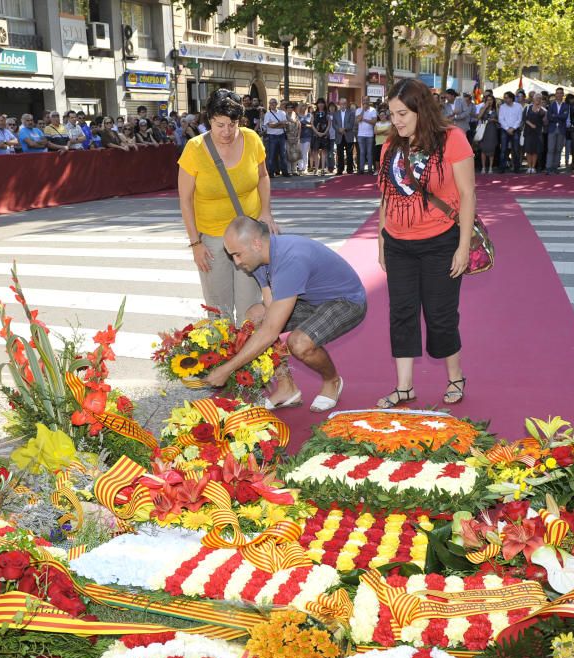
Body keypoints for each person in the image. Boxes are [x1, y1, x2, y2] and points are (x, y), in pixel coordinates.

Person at [376, 77, 475, 408]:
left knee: (440, 314)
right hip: (398, 243)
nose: (397, 121)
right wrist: (381, 240)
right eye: (392, 114)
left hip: (440, 242)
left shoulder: (452, 140)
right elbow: (387, 196)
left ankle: (455, 377)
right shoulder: (391, 146)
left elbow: (467, 194)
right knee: (401, 314)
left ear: (421, 109)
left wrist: (463, 247)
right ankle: (404, 387)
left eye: (402, 113)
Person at [205, 216, 366, 412]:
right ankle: (286, 387)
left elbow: (271, 331)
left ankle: (332, 381)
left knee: (300, 343)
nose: (237, 263)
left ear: (256, 243)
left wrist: (227, 368)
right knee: (255, 315)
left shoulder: (290, 259)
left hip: (347, 302)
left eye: (237, 254)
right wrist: (258, 326)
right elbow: (269, 309)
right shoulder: (259, 257)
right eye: (232, 256)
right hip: (312, 302)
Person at [178, 89, 278, 325]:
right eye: (219, 124)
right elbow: (185, 199)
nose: (226, 131)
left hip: (248, 237)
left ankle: (250, 359)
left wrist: (266, 211)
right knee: (218, 312)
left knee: (251, 310)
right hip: (212, 238)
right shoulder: (194, 149)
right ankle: (222, 360)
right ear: (209, 120)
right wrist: (195, 243)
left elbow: (263, 176)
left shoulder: (252, 139)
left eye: (232, 124)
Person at [545, 87, 570, 175]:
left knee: (558, 149)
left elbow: (565, 117)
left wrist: (555, 115)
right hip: (552, 129)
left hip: (561, 129)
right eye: (557, 93)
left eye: (560, 93)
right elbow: (549, 117)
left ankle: (555, 167)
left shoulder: (566, 106)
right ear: (555, 94)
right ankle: (548, 168)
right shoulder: (551, 105)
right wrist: (559, 116)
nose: (559, 94)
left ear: (563, 95)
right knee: (550, 149)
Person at [263, 98, 290, 177]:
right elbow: (269, 125)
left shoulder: (282, 113)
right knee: (271, 155)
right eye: (271, 103)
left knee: (283, 154)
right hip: (272, 136)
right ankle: (271, 173)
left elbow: (285, 124)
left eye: (274, 103)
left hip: (281, 136)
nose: (272, 104)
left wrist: (275, 124)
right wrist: (280, 123)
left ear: (276, 104)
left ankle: (285, 172)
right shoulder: (267, 114)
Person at [498, 91, 523, 173]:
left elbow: (519, 119)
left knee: (516, 150)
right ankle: (502, 168)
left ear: (511, 98)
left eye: (506, 97)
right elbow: (501, 119)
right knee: (503, 149)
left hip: (515, 130)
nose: (505, 99)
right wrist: (507, 128)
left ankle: (516, 168)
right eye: (504, 98)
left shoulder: (518, 106)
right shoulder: (502, 107)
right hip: (505, 130)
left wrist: (513, 128)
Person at [522, 92, 547, 174]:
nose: (538, 99)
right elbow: (524, 118)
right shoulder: (528, 107)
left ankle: (533, 167)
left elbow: (545, 122)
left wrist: (545, 116)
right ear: (533, 99)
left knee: (535, 151)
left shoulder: (543, 110)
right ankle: (529, 167)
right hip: (528, 132)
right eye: (537, 98)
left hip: (537, 133)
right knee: (528, 151)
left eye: (540, 98)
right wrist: (531, 124)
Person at [331, 99, 356, 174]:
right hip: (339, 135)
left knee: (349, 153)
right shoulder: (335, 113)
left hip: (348, 135)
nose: (343, 105)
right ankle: (340, 170)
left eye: (344, 104)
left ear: (346, 104)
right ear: (339, 104)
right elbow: (334, 124)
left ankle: (350, 169)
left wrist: (344, 129)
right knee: (340, 153)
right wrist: (339, 129)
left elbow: (351, 123)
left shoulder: (351, 113)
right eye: (341, 104)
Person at [477, 95, 500, 174]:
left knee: (491, 149)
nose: (489, 101)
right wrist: (485, 107)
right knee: (483, 149)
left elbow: (499, 120)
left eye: (491, 100)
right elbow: (479, 117)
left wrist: (494, 120)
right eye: (488, 100)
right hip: (484, 129)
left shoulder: (496, 109)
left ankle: (490, 167)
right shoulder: (482, 108)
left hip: (492, 129)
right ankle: (483, 167)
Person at [357, 97, 379, 174]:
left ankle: (370, 169)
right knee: (362, 152)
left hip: (370, 134)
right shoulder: (359, 110)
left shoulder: (373, 110)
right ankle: (361, 169)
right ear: (362, 101)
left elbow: (374, 122)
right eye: (364, 100)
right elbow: (357, 120)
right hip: (360, 134)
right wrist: (363, 110)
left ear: (369, 101)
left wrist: (364, 119)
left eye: (366, 100)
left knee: (369, 152)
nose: (365, 102)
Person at [311, 99, 330, 175]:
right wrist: (317, 132)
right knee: (315, 152)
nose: (320, 104)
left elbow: (329, 124)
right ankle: (316, 169)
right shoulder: (314, 113)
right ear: (317, 104)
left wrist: (325, 132)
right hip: (316, 135)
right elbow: (312, 124)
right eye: (319, 103)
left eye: (322, 103)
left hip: (324, 135)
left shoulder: (327, 113)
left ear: (324, 104)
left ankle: (322, 169)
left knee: (324, 152)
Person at [284, 103, 302, 175]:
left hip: (295, 137)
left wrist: (298, 136)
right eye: (288, 107)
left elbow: (299, 126)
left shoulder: (296, 116)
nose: (289, 109)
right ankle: (288, 170)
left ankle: (294, 170)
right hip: (287, 137)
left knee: (295, 153)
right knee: (288, 153)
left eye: (291, 107)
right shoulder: (284, 116)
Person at [299, 104, 313, 174]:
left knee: (305, 153)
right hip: (299, 136)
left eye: (305, 108)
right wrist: (306, 124)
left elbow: (306, 121)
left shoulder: (309, 115)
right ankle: (300, 168)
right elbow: (301, 123)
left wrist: (302, 123)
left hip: (307, 136)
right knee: (300, 153)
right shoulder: (297, 115)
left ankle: (305, 168)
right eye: (303, 107)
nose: (304, 109)